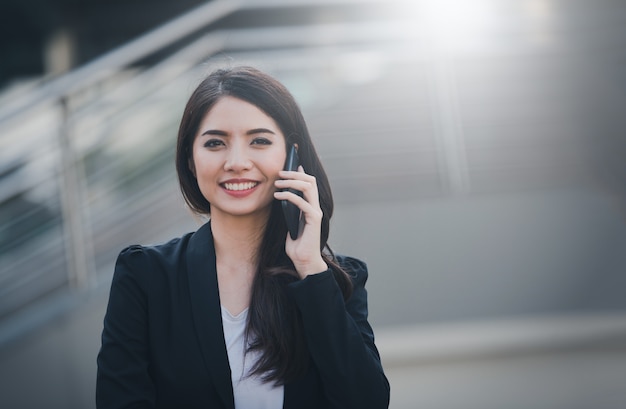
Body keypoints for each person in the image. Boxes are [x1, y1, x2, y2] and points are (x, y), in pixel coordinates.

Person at [96, 66, 390, 409]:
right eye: (215, 143)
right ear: (191, 159)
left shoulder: (336, 282)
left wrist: (310, 267)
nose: (237, 162)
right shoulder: (145, 276)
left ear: (291, 157)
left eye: (259, 141)